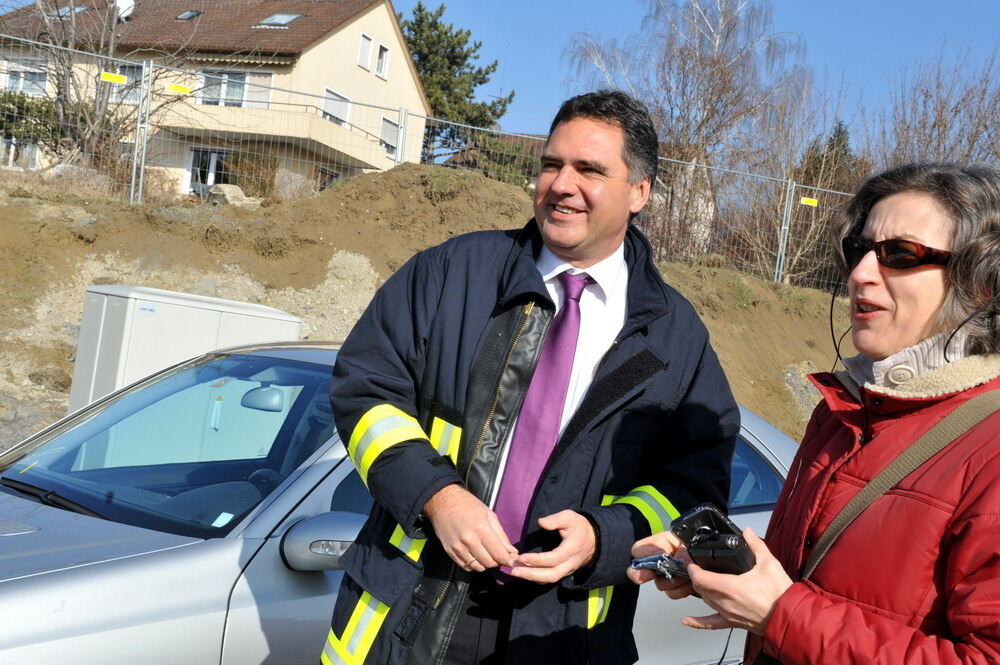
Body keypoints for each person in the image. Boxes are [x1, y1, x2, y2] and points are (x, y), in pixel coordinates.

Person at [320, 90, 739, 665]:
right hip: (412, 607)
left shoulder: (675, 335)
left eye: (589, 169)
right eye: (551, 164)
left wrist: (604, 537)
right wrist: (437, 498)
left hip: (562, 632)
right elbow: (366, 390)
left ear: (639, 192)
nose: (561, 184)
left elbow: (693, 482)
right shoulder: (453, 272)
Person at [629, 163, 1000, 664]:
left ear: (979, 284)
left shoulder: (988, 446)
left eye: (900, 254)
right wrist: (730, 574)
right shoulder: (845, 410)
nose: (862, 273)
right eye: (859, 250)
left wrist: (779, 612)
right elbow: (813, 582)